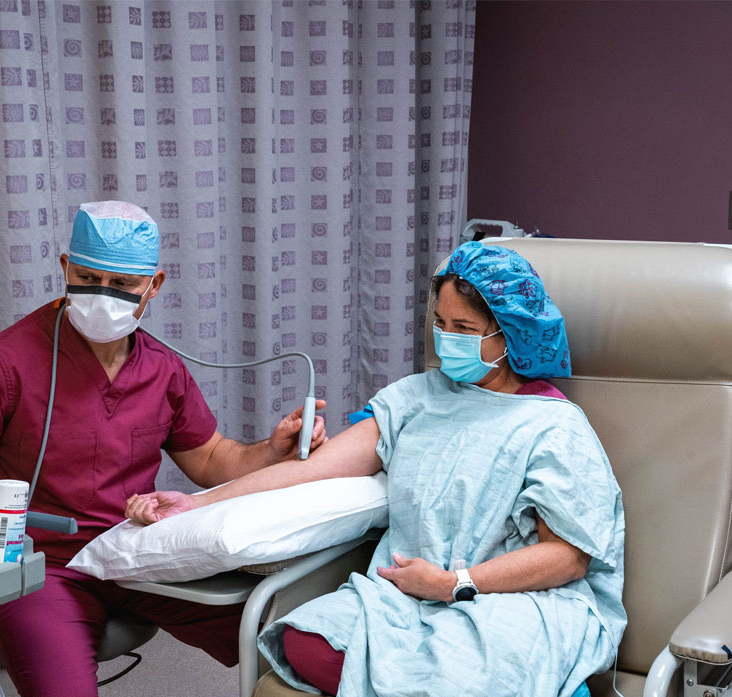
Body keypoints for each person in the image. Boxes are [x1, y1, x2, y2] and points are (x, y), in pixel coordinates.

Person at [125, 241, 626, 697]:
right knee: (305, 642)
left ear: (511, 334)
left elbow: (568, 558)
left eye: (465, 329)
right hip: (405, 595)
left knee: (466, 672)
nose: (446, 339)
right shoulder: (415, 399)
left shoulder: (554, 425)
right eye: (441, 324)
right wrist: (199, 502)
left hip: (511, 597)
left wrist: (455, 583)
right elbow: (313, 470)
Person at [0, 200, 327, 697]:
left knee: (301, 634)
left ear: (153, 285)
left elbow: (210, 459)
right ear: (65, 268)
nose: (102, 295)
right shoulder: (0, 364)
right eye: (88, 278)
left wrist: (272, 450)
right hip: (39, 568)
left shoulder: (163, 369)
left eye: (122, 284)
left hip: (136, 553)